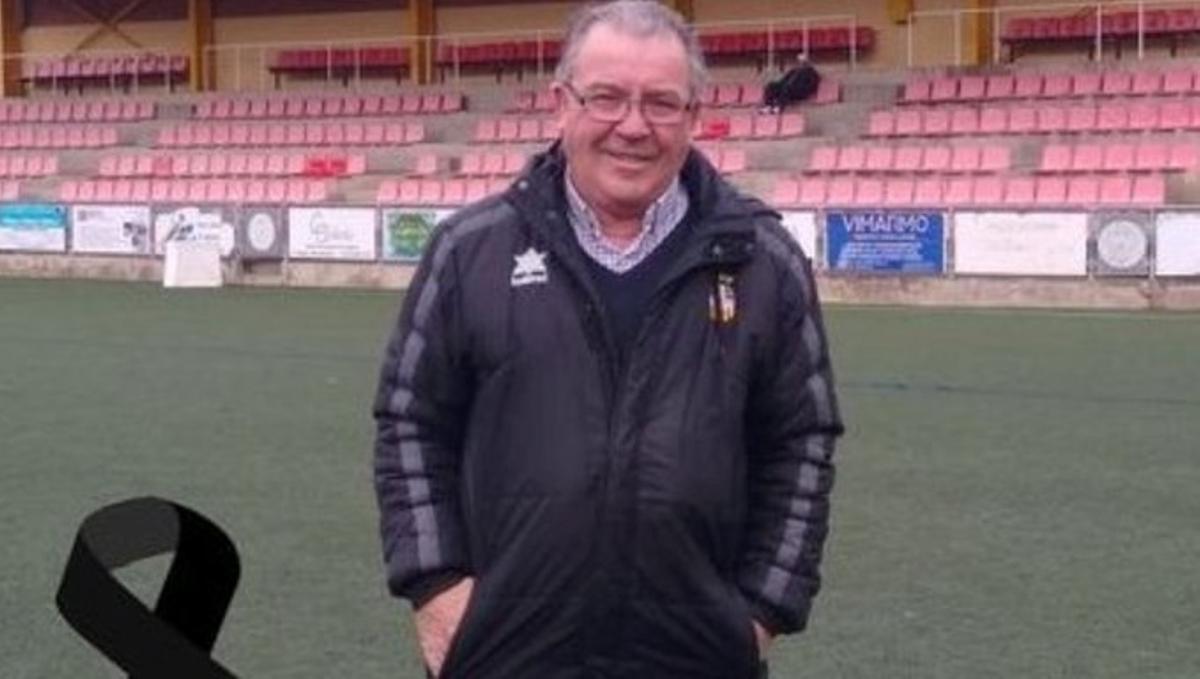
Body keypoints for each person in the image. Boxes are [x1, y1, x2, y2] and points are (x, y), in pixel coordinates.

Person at [372, 2, 844, 676]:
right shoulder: (468, 251)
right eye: (607, 98)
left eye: (660, 103)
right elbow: (409, 422)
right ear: (561, 105)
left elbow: (801, 443)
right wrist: (436, 589)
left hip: (695, 654)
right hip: (503, 647)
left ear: (693, 116)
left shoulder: (764, 261)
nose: (633, 125)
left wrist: (762, 612)